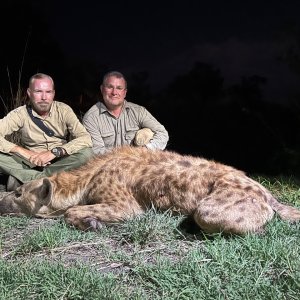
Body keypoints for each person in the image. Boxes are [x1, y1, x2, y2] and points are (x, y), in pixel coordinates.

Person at [0, 73, 93, 191]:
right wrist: (22, 151)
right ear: (29, 93)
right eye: (38, 91)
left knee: (86, 154)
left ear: (53, 94)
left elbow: (85, 138)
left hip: (60, 161)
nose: (44, 97)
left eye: (48, 92)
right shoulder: (20, 114)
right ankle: (47, 180)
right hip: (30, 163)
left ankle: (29, 179)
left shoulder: (64, 110)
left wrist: (54, 152)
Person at [82, 71, 169, 154]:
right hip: (107, 166)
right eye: (110, 87)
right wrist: (127, 157)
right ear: (102, 89)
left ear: (125, 92)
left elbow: (162, 133)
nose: (114, 92)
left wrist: (145, 150)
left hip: (138, 162)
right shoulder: (91, 118)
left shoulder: (138, 111)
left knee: (147, 134)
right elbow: (97, 152)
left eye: (119, 88)